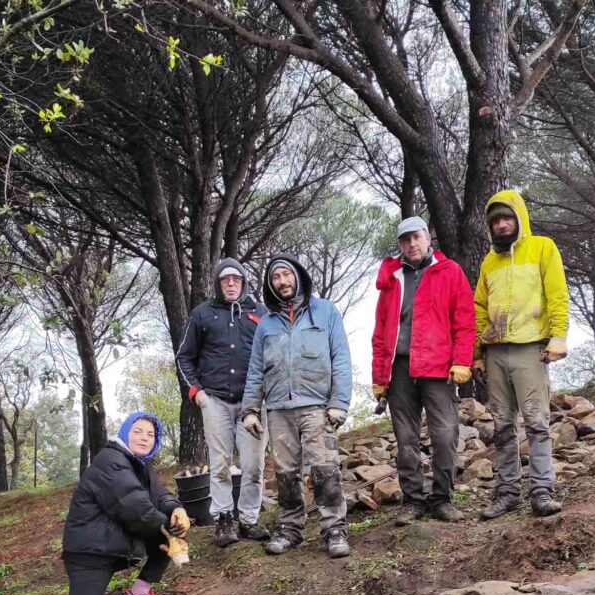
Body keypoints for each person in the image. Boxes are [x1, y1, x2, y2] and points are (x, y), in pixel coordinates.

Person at [31, 412, 190, 595]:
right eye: (138, 431)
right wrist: (169, 533)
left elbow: (158, 493)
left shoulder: (140, 463)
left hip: (113, 544)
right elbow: (136, 509)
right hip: (90, 554)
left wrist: (176, 509)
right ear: (126, 431)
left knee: (169, 541)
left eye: (150, 434)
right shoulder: (112, 461)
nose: (145, 438)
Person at [240, 255, 353, 559]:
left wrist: (339, 402)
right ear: (270, 284)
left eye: (286, 274)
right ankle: (291, 530)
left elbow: (341, 357)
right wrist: (250, 409)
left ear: (298, 276)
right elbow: (255, 370)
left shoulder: (326, 311)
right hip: (277, 408)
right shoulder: (265, 324)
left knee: (325, 469)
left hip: (318, 407)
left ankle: (334, 530)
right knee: (286, 472)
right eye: (276, 277)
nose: (282, 281)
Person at [371, 216, 476, 524]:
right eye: (405, 240)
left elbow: (465, 321)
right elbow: (380, 331)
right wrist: (379, 379)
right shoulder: (392, 279)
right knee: (406, 439)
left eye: (416, 237)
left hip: (439, 368)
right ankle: (413, 500)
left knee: (445, 435)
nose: (412, 244)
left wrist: (461, 362)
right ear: (400, 245)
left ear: (428, 238)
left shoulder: (450, 272)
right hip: (400, 369)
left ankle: (442, 498)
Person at [473, 189, 568, 520]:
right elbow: (479, 308)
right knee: (502, 425)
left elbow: (557, 294)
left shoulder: (542, 248)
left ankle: (541, 491)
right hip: (496, 351)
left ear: (519, 218)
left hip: (531, 348)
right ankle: (508, 492)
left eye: (506, 218)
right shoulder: (489, 261)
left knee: (537, 422)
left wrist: (558, 337)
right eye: (496, 220)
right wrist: (477, 354)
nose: (501, 224)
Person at [175, 258, 271, 548]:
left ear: (243, 282)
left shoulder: (260, 313)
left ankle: (250, 519)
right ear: (218, 283)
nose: (231, 284)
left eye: (236, 280)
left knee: (254, 465)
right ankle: (224, 520)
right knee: (220, 465)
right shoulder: (201, 315)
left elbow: (273, 354)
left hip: (253, 403)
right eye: (225, 280)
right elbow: (184, 358)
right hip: (215, 400)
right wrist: (198, 394)